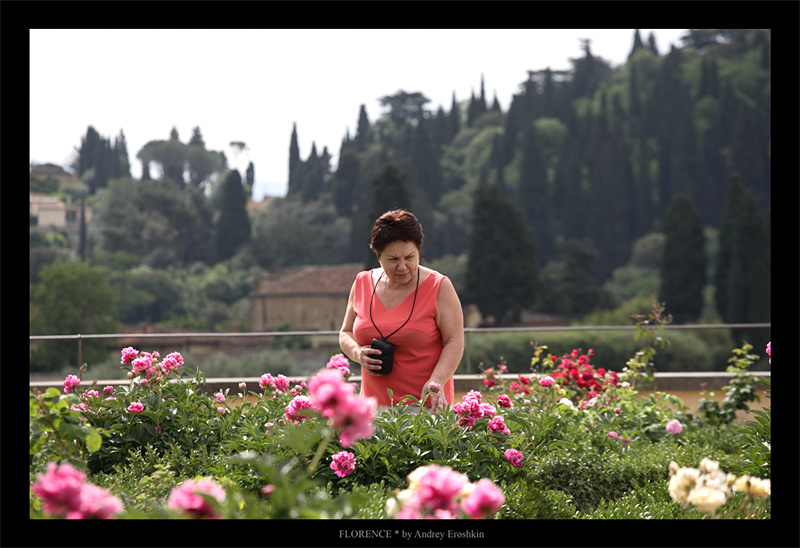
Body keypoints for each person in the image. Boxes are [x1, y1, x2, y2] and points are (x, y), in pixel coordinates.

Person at [339, 209, 464, 413]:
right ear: (378, 256)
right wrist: (357, 353)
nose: (403, 266)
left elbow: (454, 341)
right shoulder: (362, 282)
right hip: (371, 407)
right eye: (393, 260)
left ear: (419, 252)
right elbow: (345, 332)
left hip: (425, 406)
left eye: (409, 257)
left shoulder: (439, 286)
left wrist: (437, 382)